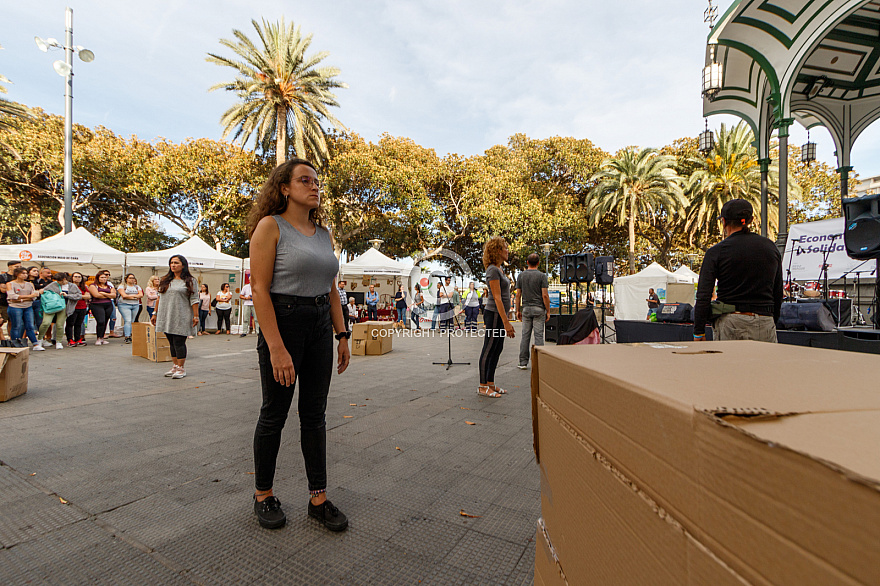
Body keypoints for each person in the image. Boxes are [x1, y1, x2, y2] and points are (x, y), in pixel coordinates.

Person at [248, 157, 350, 532]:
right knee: (274, 414)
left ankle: (318, 499)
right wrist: (275, 347)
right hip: (284, 322)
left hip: (321, 326)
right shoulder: (270, 227)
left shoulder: (323, 234)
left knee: (315, 416)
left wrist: (342, 335)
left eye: (317, 181)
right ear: (285, 188)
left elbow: (332, 289)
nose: (314, 186)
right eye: (305, 180)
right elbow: (259, 289)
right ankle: (263, 494)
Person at [694, 199, 783, 343]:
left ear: (723, 221)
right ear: (751, 220)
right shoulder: (771, 248)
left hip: (731, 321)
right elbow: (778, 292)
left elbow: (703, 295)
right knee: (765, 366)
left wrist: (698, 331)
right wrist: (772, 319)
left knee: (730, 365)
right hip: (765, 321)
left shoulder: (717, 251)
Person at [478, 237, 515, 398]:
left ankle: (490, 383)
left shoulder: (499, 269)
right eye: (505, 248)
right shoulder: (492, 270)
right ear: (498, 251)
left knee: (497, 348)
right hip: (493, 314)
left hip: (499, 315)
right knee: (489, 348)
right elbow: (497, 298)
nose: (508, 250)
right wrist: (506, 322)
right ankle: (482, 386)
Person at [152, 255, 199, 378]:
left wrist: (196, 316)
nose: (173, 265)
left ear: (183, 265)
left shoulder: (190, 281)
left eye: (176, 263)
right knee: (171, 342)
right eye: (171, 263)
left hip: (181, 315)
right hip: (166, 314)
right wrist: (155, 313)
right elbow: (159, 297)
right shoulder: (165, 280)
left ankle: (181, 368)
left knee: (179, 341)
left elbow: (194, 299)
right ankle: (175, 366)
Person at [515, 253, 550, 370]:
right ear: (538, 263)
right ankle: (539, 362)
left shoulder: (521, 276)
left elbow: (518, 295)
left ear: (527, 262)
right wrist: (548, 311)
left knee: (525, 335)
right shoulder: (542, 276)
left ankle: (523, 362)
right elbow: (545, 295)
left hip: (526, 309)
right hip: (539, 309)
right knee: (539, 335)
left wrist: (517, 310)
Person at [7, 267, 42, 350]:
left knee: (30, 325)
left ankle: (35, 344)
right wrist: (29, 296)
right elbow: (12, 296)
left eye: (26, 273)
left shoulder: (29, 284)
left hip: (28, 306)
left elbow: (35, 296)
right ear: (17, 274)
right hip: (14, 307)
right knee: (16, 325)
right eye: (23, 273)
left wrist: (21, 298)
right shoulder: (10, 284)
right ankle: (15, 342)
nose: (25, 275)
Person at [37, 273, 69, 349]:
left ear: (65, 279)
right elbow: (43, 291)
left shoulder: (70, 285)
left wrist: (67, 295)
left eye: (60, 280)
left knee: (60, 325)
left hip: (62, 306)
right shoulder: (52, 284)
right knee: (46, 323)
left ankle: (59, 341)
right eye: (57, 280)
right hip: (51, 305)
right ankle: (39, 339)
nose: (59, 282)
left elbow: (77, 294)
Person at [87, 271, 116, 345]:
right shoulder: (93, 286)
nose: (104, 279)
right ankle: (98, 338)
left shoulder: (109, 286)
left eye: (105, 277)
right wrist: (108, 295)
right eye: (102, 277)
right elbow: (96, 295)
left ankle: (102, 338)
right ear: (98, 278)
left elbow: (113, 295)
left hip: (108, 305)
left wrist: (103, 293)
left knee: (105, 321)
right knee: (100, 321)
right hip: (97, 305)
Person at [117, 274, 143, 344]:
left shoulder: (137, 287)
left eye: (133, 278)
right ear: (126, 279)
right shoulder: (122, 286)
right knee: (127, 320)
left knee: (132, 321)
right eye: (130, 278)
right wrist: (135, 297)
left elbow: (141, 295)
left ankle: (131, 334)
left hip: (135, 305)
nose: (132, 279)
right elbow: (124, 295)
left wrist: (130, 296)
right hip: (124, 305)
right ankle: (127, 336)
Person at [65, 272, 89, 346]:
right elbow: (67, 295)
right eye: (75, 276)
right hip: (72, 307)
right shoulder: (68, 286)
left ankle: (78, 339)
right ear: (72, 277)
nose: (77, 278)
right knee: (70, 324)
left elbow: (88, 296)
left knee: (78, 324)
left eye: (79, 277)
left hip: (82, 307)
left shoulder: (84, 287)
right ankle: (70, 340)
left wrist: (75, 296)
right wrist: (81, 296)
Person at [0, 260, 21, 340]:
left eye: (19, 267)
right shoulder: (3, 276)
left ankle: (12, 339)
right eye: (16, 267)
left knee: (12, 323)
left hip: (15, 303)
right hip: (4, 302)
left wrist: (8, 287)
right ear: (9, 267)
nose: (18, 268)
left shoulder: (19, 277)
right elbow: (2, 289)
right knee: (1, 321)